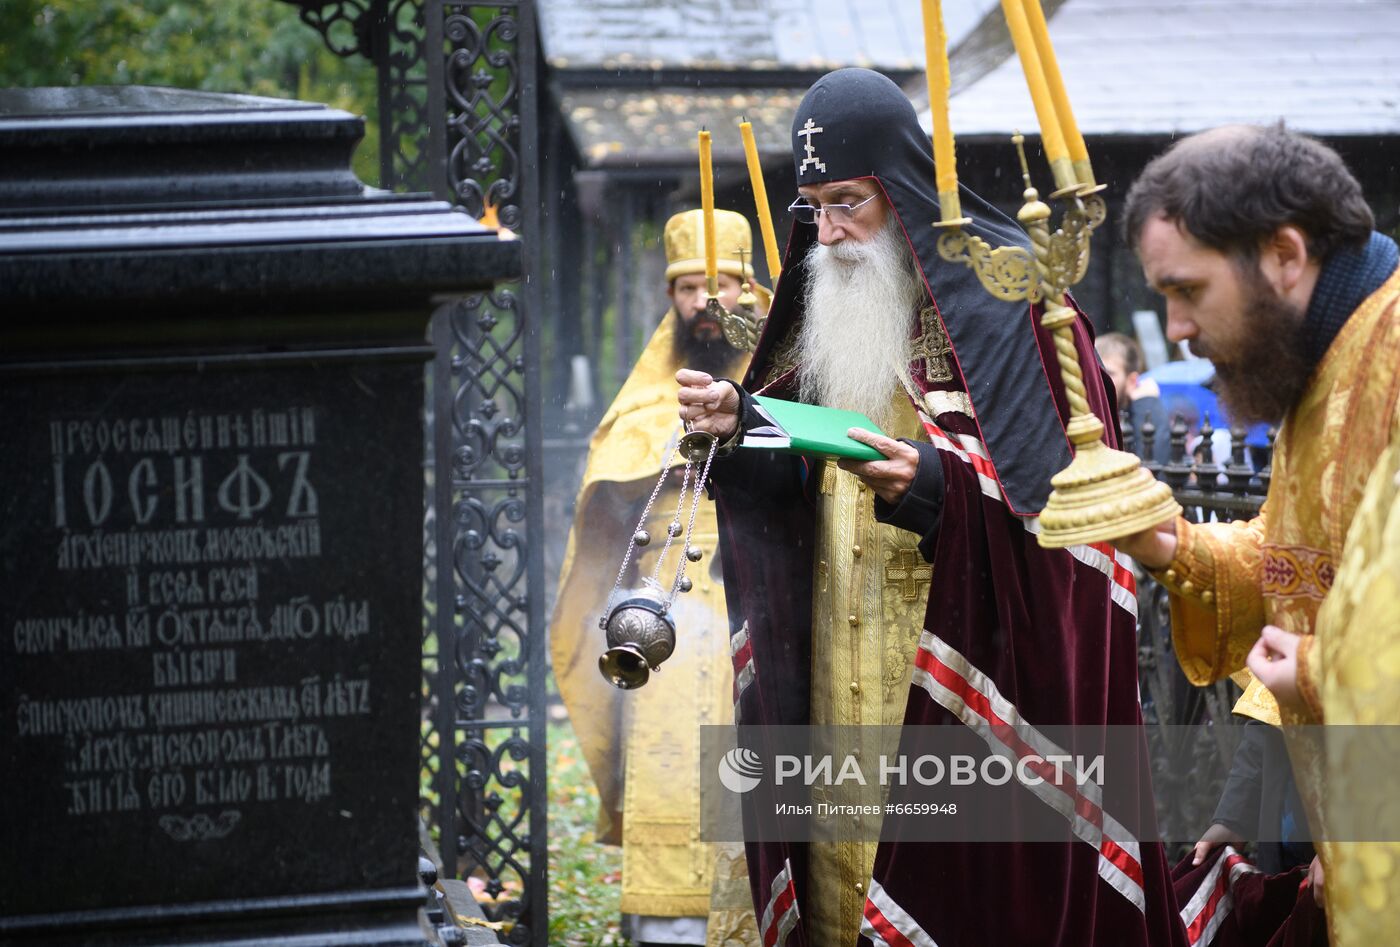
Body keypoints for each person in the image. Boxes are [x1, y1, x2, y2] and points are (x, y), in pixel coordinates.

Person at [678, 68, 1184, 947]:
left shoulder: (1011, 303)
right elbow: (797, 474)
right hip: (838, 680)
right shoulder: (823, 312)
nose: (827, 233)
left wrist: (935, 488)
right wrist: (743, 423)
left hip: (961, 685)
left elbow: (1074, 533)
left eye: (849, 203)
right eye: (813, 207)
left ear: (901, 191)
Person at [1116, 123, 1400, 944]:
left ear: (1284, 254)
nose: (1173, 327)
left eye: (1188, 290)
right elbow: (1296, 557)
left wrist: (1313, 670)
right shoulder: (1320, 363)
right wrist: (1173, 544)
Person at [551, 209, 767, 947]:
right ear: (670, 295)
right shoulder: (651, 388)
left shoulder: (782, 371)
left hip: (766, 601)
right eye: (689, 286)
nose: (707, 301)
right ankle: (669, 926)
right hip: (666, 617)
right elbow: (609, 481)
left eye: (725, 283)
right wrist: (658, 455)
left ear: (751, 287)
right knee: (674, 774)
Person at [1096, 331, 1172, 465]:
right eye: (1094, 372)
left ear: (1131, 381)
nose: (1099, 379)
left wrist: (1147, 404)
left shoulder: (1141, 411)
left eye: (1109, 373)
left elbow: (1154, 468)